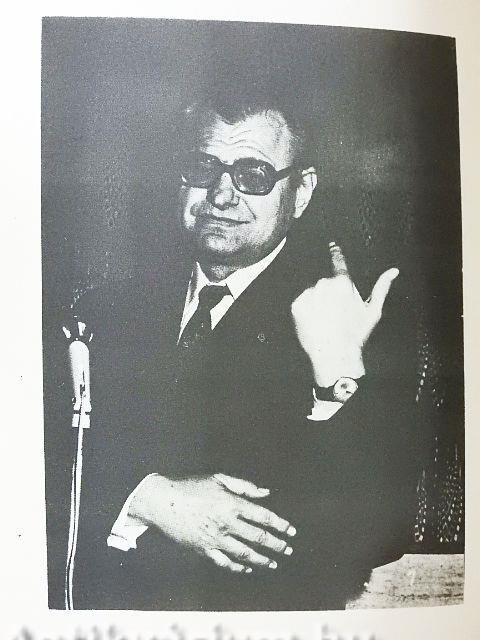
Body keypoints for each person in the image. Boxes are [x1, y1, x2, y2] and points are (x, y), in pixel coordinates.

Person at [51, 93, 420, 611]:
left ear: (301, 191)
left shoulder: (351, 315)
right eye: (203, 169)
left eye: (253, 175)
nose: (221, 196)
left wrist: (336, 377)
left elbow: (380, 529)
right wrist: (147, 498)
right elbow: (39, 461)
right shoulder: (103, 310)